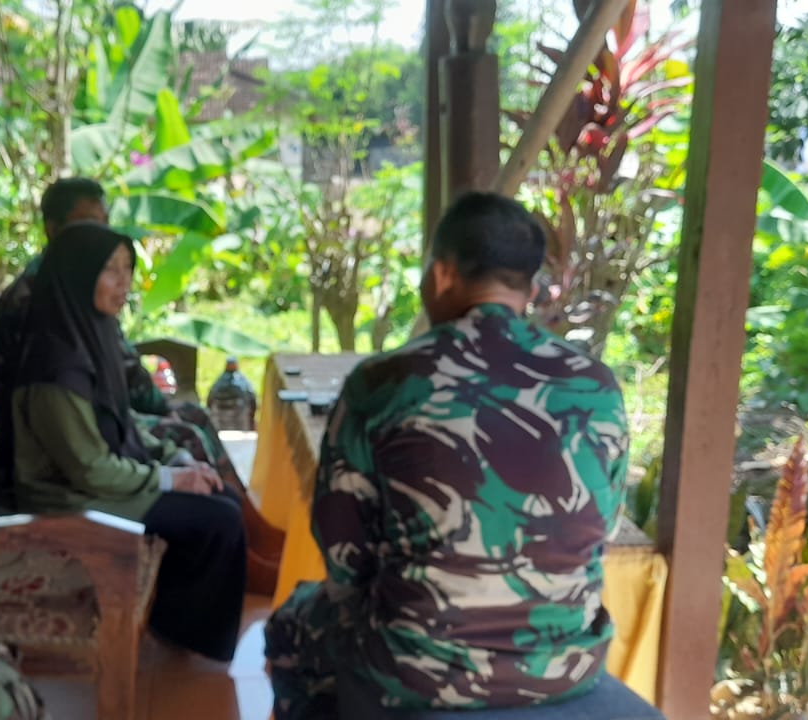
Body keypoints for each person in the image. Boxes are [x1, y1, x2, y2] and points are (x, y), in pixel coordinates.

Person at [265, 193, 656, 718]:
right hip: (565, 667)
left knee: (291, 624)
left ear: (442, 275)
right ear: (531, 290)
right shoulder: (597, 385)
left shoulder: (385, 381)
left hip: (415, 670)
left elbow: (343, 555)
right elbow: (599, 529)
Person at [0, 178, 284, 588]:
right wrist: (169, 471)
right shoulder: (49, 320)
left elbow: (115, 389)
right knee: (192, 453)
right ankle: (243, 560)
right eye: (87, 225)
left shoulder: (86, 308)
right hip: (59, 470)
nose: (122, 280)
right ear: (54, 231)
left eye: (104, 223)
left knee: (196, 451)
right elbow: (82, 451)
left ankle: (256, 540)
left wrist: (169, 452)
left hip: (90, 438)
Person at [8, 222, 247, 662]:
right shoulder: (54, 366)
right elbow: (89, 468)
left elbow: (119, 419)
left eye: (127, 269)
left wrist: (175, 457)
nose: (124, 283)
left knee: (223, 497)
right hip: (68, 497)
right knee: (219, 521)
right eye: (110, 270)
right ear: (79, 275)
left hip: (99, 481)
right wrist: (170, 480)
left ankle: (173, 622)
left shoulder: (90, 334)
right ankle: (176, 628)